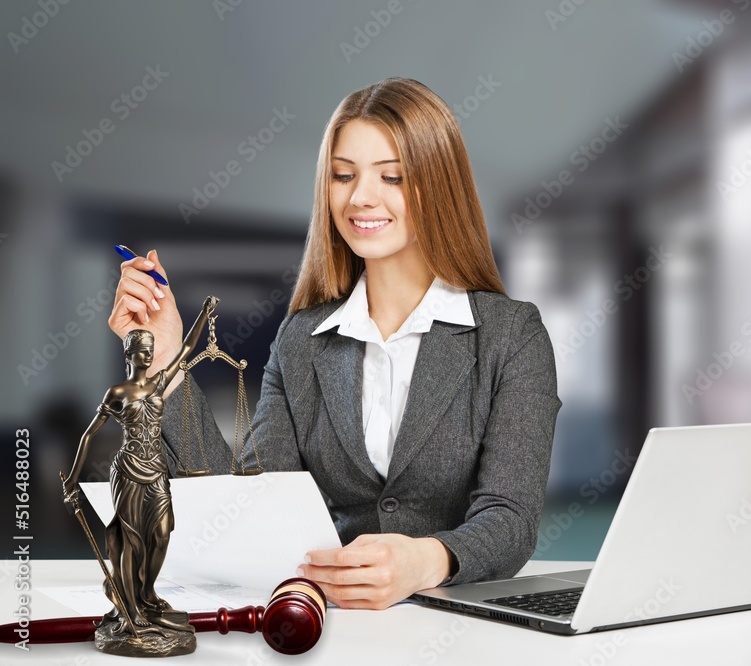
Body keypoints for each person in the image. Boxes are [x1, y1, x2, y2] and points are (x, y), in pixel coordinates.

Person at [107, 77, 562, 610]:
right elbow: (253, 500)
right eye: (343, 176)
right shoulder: (302, 339)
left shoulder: (512, 335)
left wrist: (423, 561)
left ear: (439, 184)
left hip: (465, 631)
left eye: (392, 176)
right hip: (332, 626)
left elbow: (511, 520)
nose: (360, 198)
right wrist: (166, 356)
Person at [64, 296, 219, 633]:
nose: (147, 354)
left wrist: (204, 313)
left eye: (150, 348)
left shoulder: (160, 382)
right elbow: (89, 435)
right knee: (132, 540)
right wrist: (72, 479)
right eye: (141, 348)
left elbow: (186, 350)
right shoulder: (117, 392)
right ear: (129, 354)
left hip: (157, 469)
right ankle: (131, 608)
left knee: (162, 533)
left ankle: (147, 595)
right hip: (129, 470)